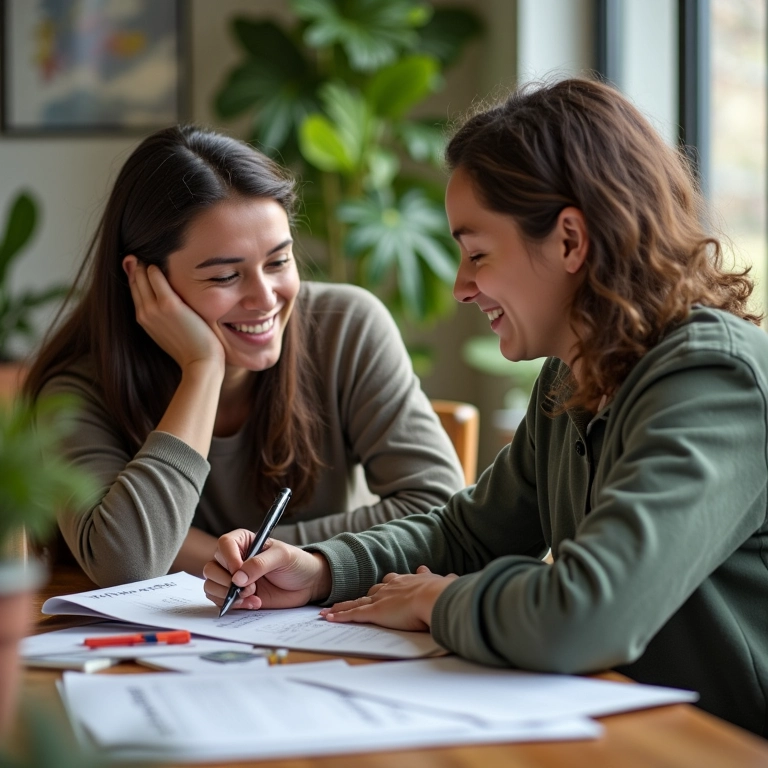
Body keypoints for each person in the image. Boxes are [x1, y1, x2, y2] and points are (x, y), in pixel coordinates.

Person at [202, 78, 768, 736]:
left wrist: (439, 602)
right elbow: (466, 536)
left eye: (477, 254)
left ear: (569, 240)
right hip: (630, 730)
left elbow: (588, 614)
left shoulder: (712, 378)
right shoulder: (573, 374)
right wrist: (325, 569)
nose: (462, 286)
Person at [24, 125, 465, 587]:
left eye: (278, 262)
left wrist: (249, 556)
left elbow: (437, 509)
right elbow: (126, 563)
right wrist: (203, 369)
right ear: (144, 280)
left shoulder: (346, 327)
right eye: (224, 277)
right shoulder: (77, 390)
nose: (265, 297)